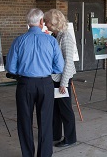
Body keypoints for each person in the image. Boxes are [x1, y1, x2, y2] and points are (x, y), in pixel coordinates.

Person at [5, 8, 64, 157]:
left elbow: (10, 67)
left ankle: (28, 154)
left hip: (25, 84)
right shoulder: (51, 40)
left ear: (28, 23)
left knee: (24, 121)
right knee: (45, 121)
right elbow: (59, 67)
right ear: (41, 22)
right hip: (45, 84)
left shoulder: (19, 40)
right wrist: (44, 67)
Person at [43, 9, 77, 147]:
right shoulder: (55, 35)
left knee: (65, 109)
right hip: (55, 78)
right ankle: (55, 134)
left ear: (54, 22)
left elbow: (68, 61)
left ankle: (70, 138)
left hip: (62, 79)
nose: (45, 24)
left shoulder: (65, 37)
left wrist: (64, 84)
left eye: (47, 21)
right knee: (55, 109)